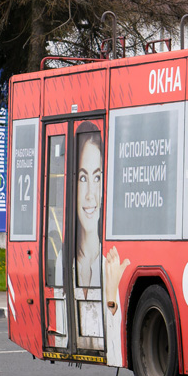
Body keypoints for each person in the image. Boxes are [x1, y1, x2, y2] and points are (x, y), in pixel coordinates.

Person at [73, 124, 104, 289]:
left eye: (97, 178)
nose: (90, 194)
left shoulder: (110, 265)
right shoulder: (63, 262)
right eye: (83, 178)